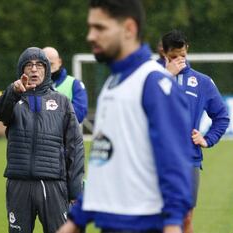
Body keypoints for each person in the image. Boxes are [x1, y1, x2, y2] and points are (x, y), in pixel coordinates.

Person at [57, 0, 193, 233]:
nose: (90, 36)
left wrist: (172, 224)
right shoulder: (112, 84)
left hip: (145, 225)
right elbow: (104, 160)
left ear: (129, 29)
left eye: (100, 28)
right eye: (90, 27)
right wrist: (76, 220)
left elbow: (175, 164)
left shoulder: (155, 83)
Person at [0, 47, 84, 233]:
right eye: (29, 65)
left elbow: (75, 146)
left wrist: (75, 190)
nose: (34, 69)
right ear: (21, 70)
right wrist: (13, 91)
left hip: (52, 184)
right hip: (19, 183)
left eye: (39, 65)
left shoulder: (62, 102)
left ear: (47, 70)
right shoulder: (14, 99)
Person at [160, 29, 229, 233]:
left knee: (186, 217)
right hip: (157, 157)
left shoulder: (202, 82)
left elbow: (222, 117)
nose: (179, 60)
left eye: (183, 55)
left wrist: (207, 139)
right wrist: (165, 76)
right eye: (174, 57)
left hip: (188, 159)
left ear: (187, 50)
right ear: (164, 53)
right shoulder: (151, 78)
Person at [42, 47, 88, 123]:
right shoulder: (32, 85)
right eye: (44, 65)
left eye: (51, 64)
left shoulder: (75, 84)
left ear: (59, 62)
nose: (48, 69)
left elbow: (79, 115)